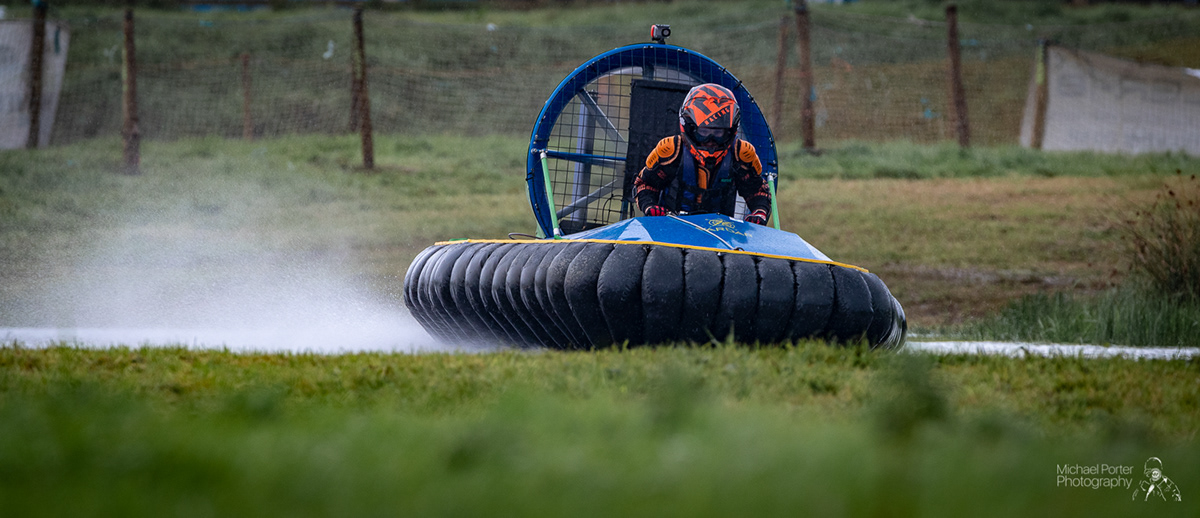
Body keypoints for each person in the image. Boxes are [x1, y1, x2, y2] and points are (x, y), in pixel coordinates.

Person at [633, 83, 772, 226]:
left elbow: (758, 192)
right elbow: (645, 184)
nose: (710, 142)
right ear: (689, 127)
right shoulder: (671, 150)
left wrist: (759, 212)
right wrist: (650, 206)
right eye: (703, 132)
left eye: (718, 133)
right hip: (669, 230)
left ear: (730, 131)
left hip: (719, 235)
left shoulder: (740, 154)